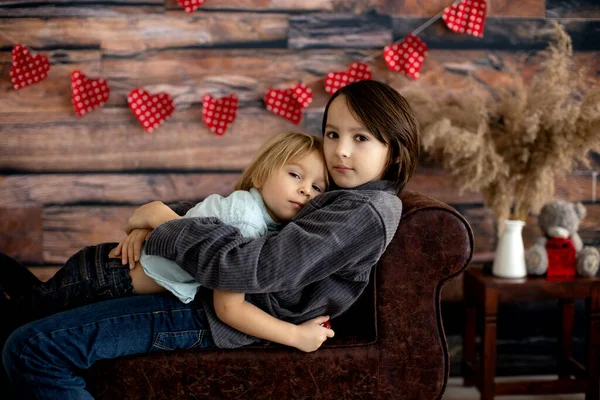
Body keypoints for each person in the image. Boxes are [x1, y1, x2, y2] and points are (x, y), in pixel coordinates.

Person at [1, 79, 420, 399]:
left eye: (360, 138)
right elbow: (233, 212)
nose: (340, 151)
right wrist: (163, 220)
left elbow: (251, 267)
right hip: (200, 292)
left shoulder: (364, 210)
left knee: (30, 348)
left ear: (395, 151)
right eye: (333, 134)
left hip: (215, 312)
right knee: (28, 322)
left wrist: (165, 223)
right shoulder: (343, 196)